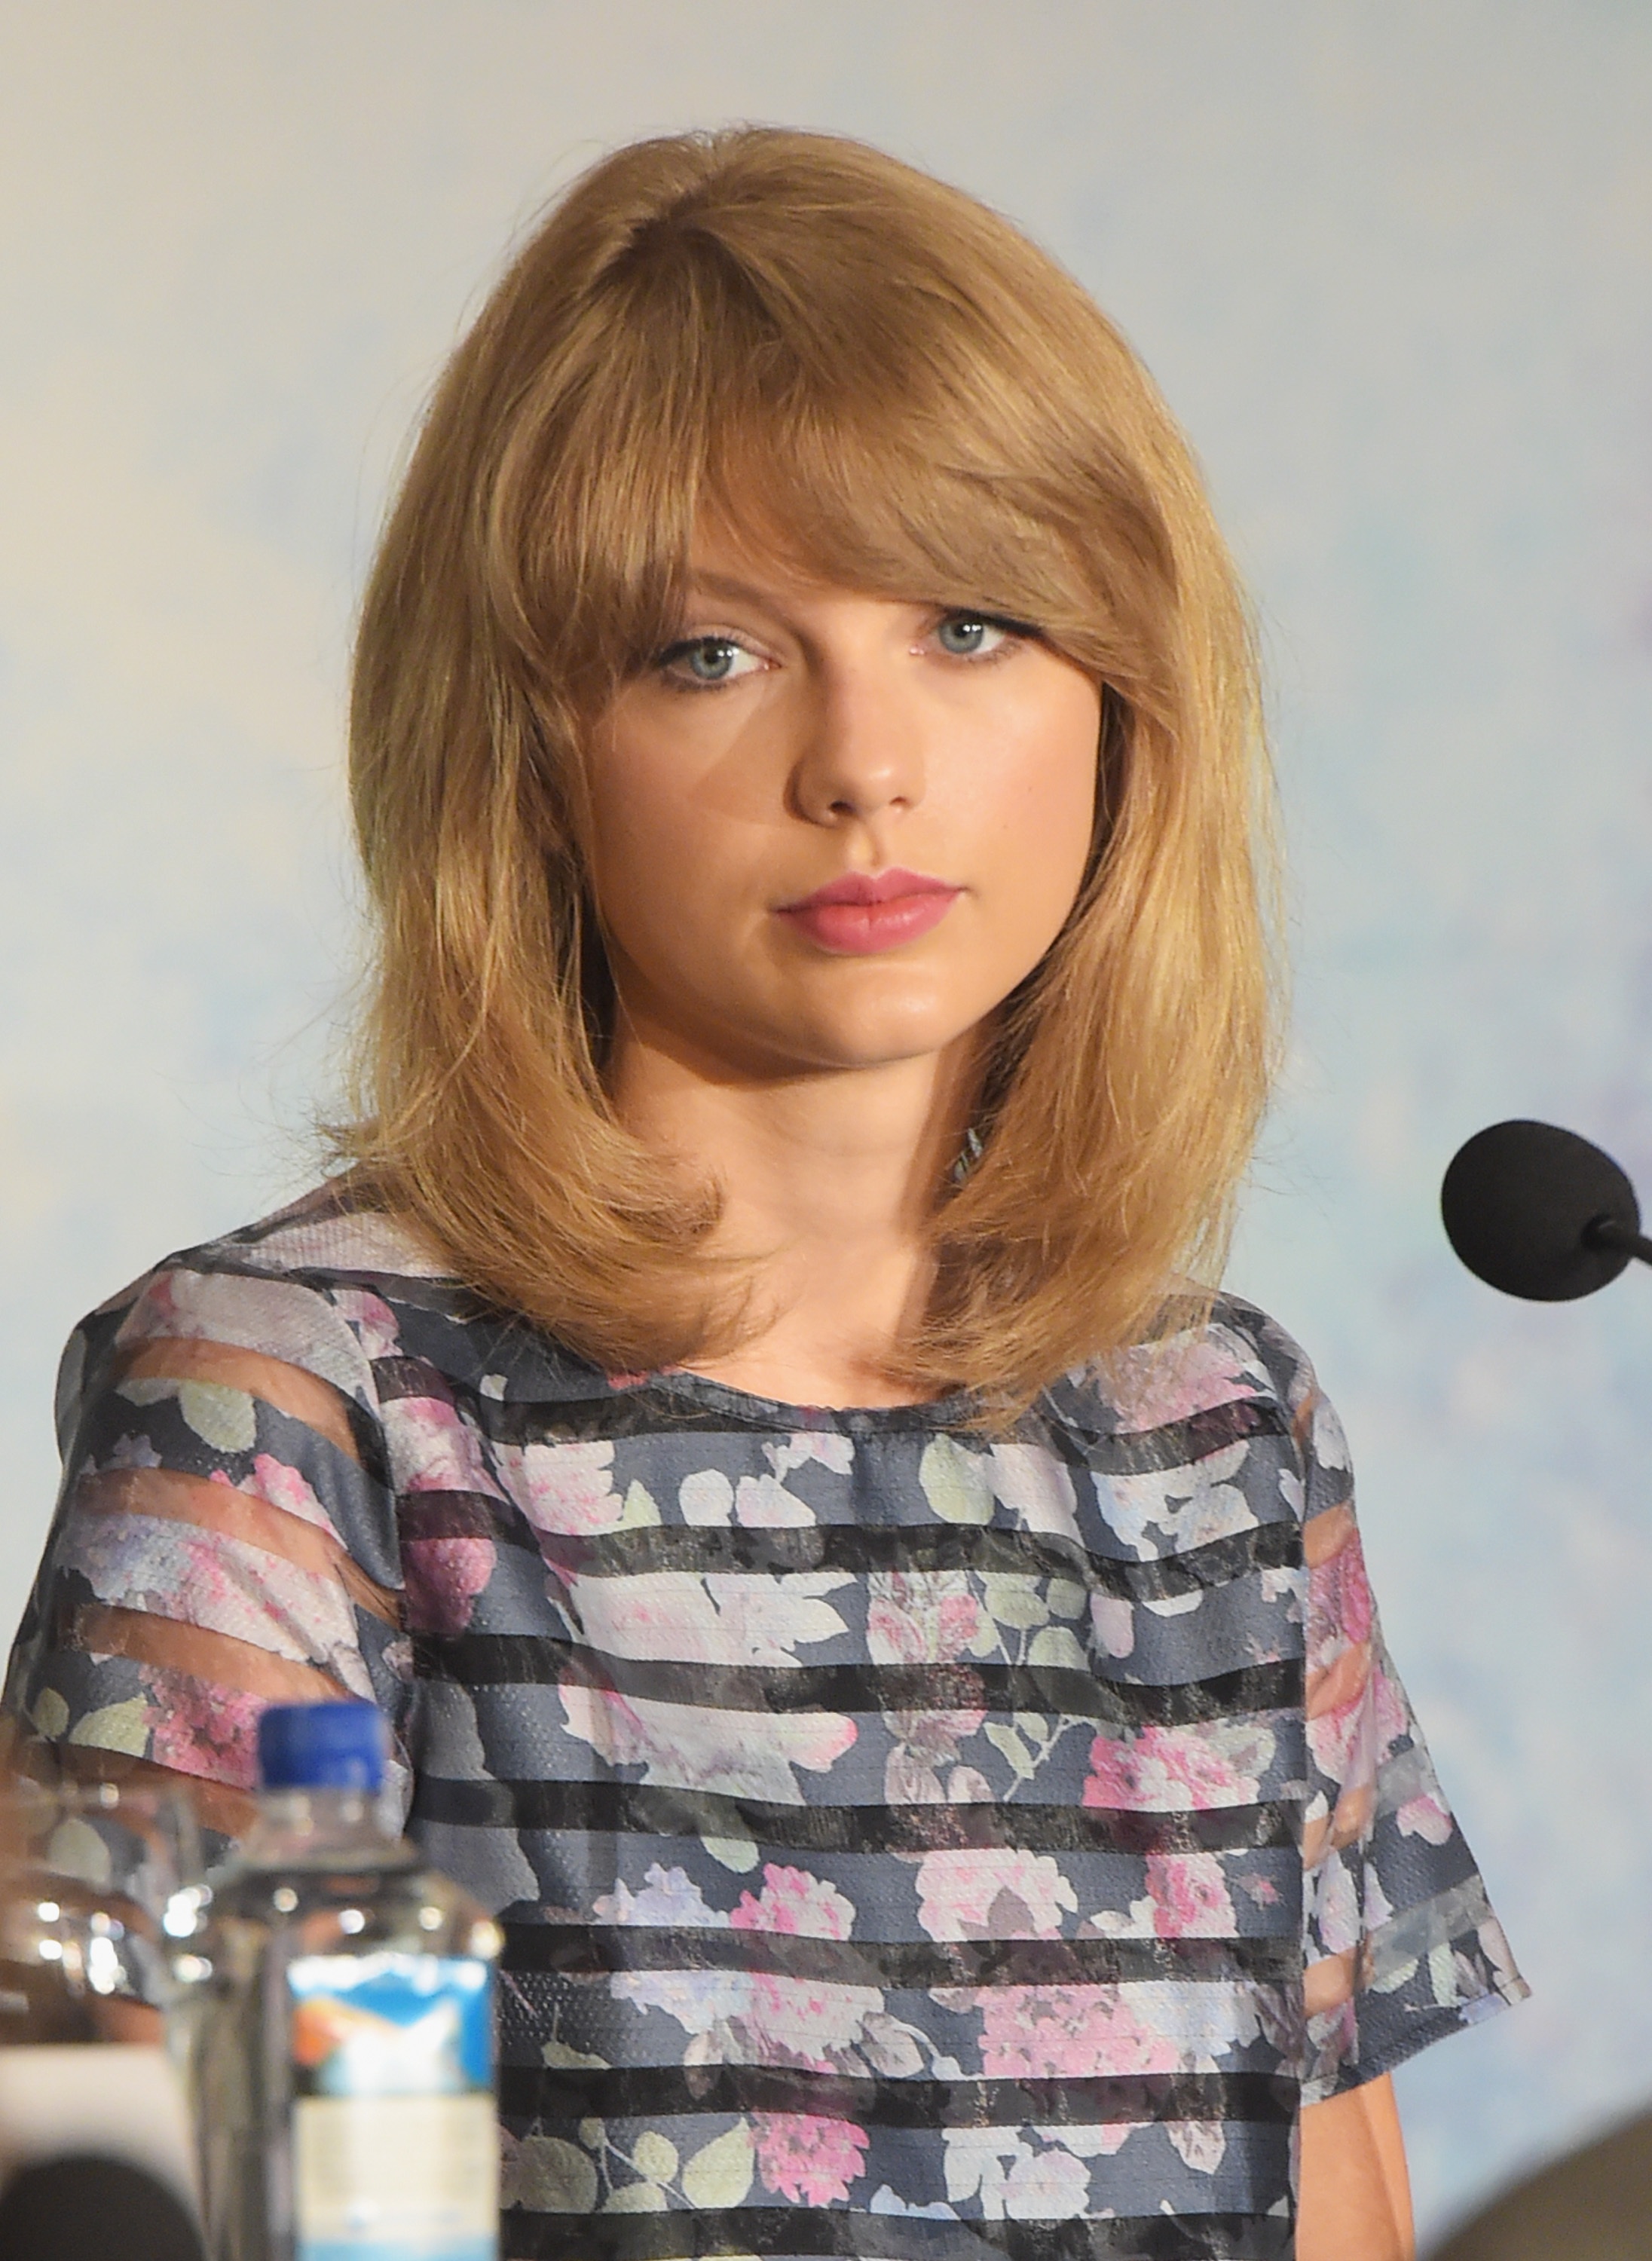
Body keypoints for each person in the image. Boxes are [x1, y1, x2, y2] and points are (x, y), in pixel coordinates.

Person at [2, 127, 1524, 2259]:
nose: (862, 765)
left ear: (1124, 708)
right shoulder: (290, 1405)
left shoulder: (1218, 1433)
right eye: (711, 655)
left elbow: (1342, 2211)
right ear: (533, 754)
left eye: (970, 627)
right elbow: (109, 2190)